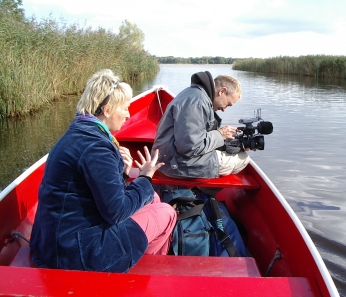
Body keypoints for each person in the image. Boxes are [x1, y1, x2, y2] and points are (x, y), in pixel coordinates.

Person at [30, 69, 177, 273]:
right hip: (78, 255)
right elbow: (116, 212)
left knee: (151, 197)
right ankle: (139, 271)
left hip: (53, 243)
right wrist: (145, 177)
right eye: (125, 108)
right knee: (167, 212)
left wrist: (124, 173)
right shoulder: (96, 148)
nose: (128, 114)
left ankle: (135, 251)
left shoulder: (78, 132)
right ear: (107, 110)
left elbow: (91, 192)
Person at [151, 71, 250, 179]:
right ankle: (203, 192)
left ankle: (200, 191)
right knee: (243, 158)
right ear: (222, 91)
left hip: (170, 157)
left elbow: (195, 138)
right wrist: (220, 134)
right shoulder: (197, 102)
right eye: (228, 104)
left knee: (236, 152)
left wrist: (234, 143)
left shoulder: (196, 94)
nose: (224, 109)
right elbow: (190, 147)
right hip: (174, 164)